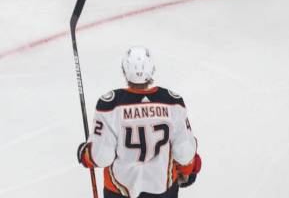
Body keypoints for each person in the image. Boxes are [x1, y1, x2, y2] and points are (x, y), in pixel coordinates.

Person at [77, 46, 201, 197]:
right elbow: (185, 153)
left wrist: (85, 155)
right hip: (164, 191)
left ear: (124, 70)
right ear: (152, 69)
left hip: (119, 191)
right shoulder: (172, 102)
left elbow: (101, 157)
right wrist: (188, 170)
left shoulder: (110, 105)